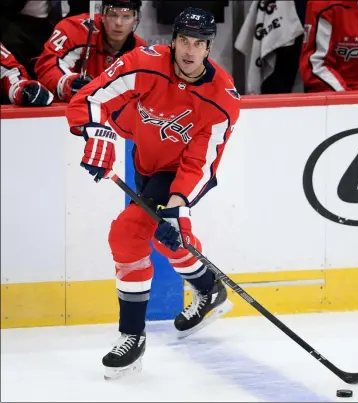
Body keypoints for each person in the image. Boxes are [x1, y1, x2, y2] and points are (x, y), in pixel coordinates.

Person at [65, 7, 240, 380]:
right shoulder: (144, 63)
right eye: (184, 41)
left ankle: (132, 338)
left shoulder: (221, 100)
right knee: (166, 239)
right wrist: (97, 136)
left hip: (176, 171)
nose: (190, 52)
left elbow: (202, 164)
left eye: (199, 44)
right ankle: (208, 288)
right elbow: (92, 98)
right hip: (144, 161)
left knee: (128, 233)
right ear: (172, 41)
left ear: (209, 48)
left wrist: (177, 206)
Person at [35, 0, 147, 102]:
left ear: (135, 20)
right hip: (66, 112)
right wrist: (67, 82)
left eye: (126, 17)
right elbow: (48, 65)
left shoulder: (141, 52)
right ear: (102, 15)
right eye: (113, 15)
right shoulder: (75, 29)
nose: (118, 23)